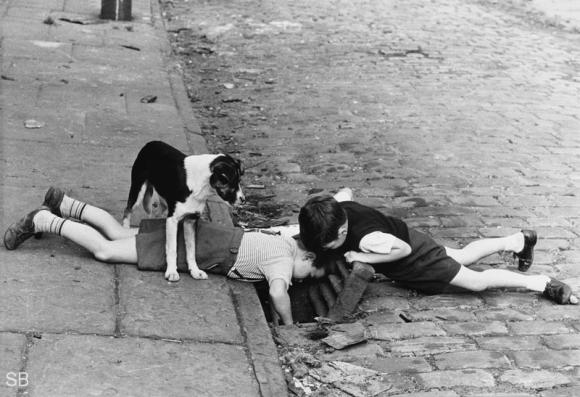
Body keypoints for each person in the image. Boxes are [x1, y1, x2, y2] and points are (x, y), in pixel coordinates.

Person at [3, 187, 324, 325]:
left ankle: (65, 203)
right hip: (188, 248)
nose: (300, 280)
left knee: (117, 232)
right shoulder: (283, 263)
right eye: (306, 274)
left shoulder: (282, 239)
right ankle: (45, 220)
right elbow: (278, 293)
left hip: (199, 232)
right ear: (307, 257)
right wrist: (289, 324)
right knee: (106, 250)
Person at [299, 188, 578, 305]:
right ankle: (516, 241)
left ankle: (542, 284)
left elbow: (402, 252)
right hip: (414, 237)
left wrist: (360, 255)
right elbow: (346, 191)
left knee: (476, 282)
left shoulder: (368, 239)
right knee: (464, 255)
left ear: (343, 230)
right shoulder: (339, 206)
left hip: (416, 258)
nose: (328, 247)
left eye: (329, 242)